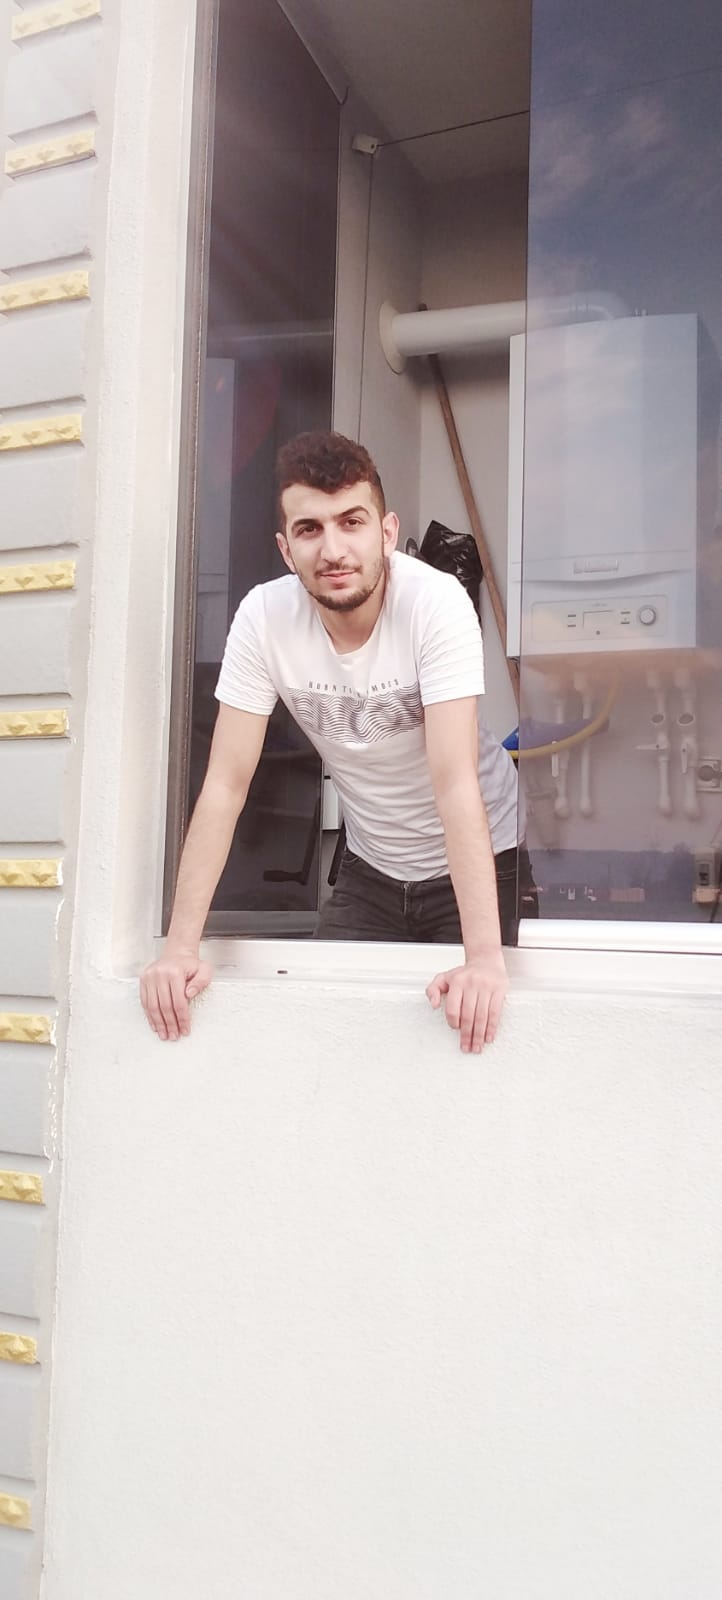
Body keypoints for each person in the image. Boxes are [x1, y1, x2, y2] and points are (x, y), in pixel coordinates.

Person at [141, 431, 535, 1053]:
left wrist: (483, 958)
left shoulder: (435, 604)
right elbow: (225, 784)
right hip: (370, 868)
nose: (333, 549)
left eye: (352, 522)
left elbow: (455, 782)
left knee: (477, 1037)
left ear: (386, 531)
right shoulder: (264, 618)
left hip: (484, 861)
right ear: (285, 548)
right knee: (330, 1035)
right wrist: (179, 950)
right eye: (309, 529)